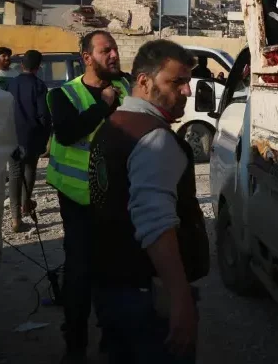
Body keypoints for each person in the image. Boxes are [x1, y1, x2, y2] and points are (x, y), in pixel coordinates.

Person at [88, 39, 209, 364]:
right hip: (146, 295)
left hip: (111, 286)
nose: (186, 91)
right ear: (144, 81)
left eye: (187, 81)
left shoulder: (112, 125)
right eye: (176, 82)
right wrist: (180, 299)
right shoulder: (154, 138)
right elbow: (155, 225)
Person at [46, 30, 131, 363]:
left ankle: (112, 336)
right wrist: (104, 104)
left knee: (117, 270)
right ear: (87, 57)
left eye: (114, 49)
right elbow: (67, 134)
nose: (113, 54)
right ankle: (76, 343)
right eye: (105, 50)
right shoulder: (63, 95)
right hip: (78, 200)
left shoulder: (126, 87)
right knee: (79, 272)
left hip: (118, 199)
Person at [6, 50, 51, 233]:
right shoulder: (39, 86)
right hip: (32, 136)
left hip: (12, 135)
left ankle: (15, 218)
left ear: (22, 65)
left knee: (15, 173)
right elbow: (43, 115)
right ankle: (26, 206)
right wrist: (46, 135)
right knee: (30, 169)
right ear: (38, 67)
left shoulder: (11, 84)